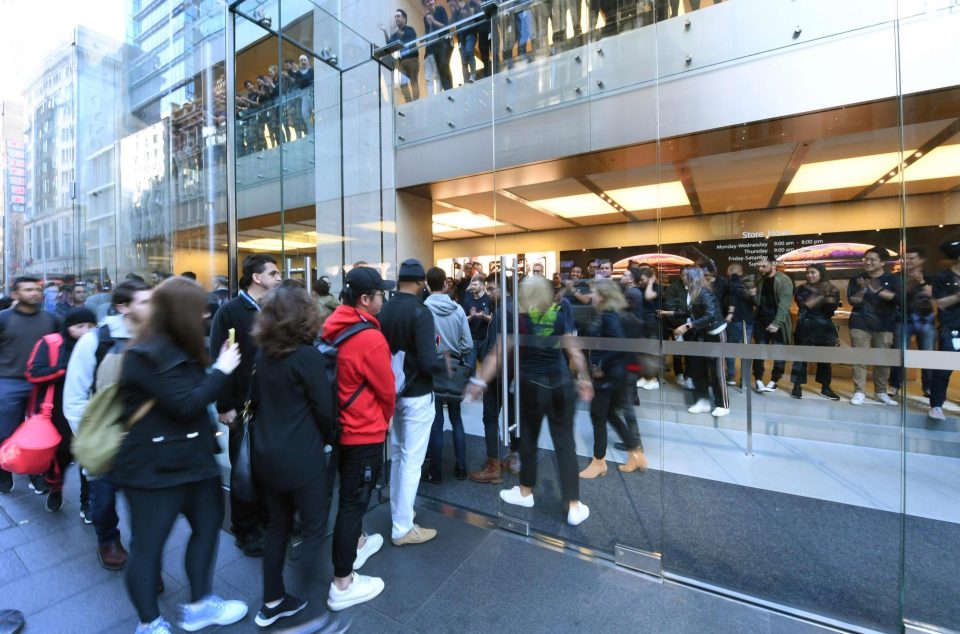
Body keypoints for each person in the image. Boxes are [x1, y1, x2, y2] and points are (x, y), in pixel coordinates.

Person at [116, 277, 247, 634]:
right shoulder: (143, 354)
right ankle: (149, 623)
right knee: (148, 548)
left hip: (195, 462)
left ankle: (200, 605)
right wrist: (222, 370)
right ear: (179, 313)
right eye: (199, 308)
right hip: (152, 470)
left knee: (207, 529)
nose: (207, 314)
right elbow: (185, 404)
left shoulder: (181, 346)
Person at [248, 284, 353, 627]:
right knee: (313, 528)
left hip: (266, 455)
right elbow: (325, 409)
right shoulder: (307, 356)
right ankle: (309, 613)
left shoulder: (263, 354)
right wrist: (328, 438)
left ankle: (273, 601)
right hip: (302, 457)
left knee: (277, 527)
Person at [466, 275, 593, 526]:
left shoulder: (521, 319)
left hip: (531, 386)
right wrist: (585, 377)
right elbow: (573, 347)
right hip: (560, 384)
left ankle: (525, 492)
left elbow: (498, 353)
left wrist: (479, 382)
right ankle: (574, 505)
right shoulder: (558, 313)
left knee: (529, 441)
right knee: (565, 444)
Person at [322, 267, 397, 611]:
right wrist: (385, 419)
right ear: (366, 299)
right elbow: (386, 390)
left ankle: (360, 541)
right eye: (381, 294)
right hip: (362, 430)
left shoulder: (332, 327)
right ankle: (342, 582)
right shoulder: (370, 338)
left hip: (339, 426)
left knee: (349, 494)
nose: (384, 299)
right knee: (353, 503)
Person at [64, 279, 153, 568]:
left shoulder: (156, 337)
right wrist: (88, 439)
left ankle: (145, 557)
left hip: (145, 436)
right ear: (122, 307)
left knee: (146, 502)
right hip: (105, 434)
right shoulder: (96, 340)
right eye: (145, 301)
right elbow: (75, 396)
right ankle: (108, 541)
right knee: (103, 498)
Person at [209, 254, 282, 557]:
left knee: (267, 468)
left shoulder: (275, 309)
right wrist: (225, 405)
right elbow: (221, 359)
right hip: (243, 406)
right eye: (274, 273)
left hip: (273, 405)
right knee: (243, 470)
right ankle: (245, 529)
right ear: (256, 277)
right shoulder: (230, 312)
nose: (279, 278)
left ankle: (267, 521)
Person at [378, 259, 446, 545]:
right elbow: (429, 361)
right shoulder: (421, 312)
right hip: (417, 394)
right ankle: (403, 527)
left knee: (398, 455)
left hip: (392, 393)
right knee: (412, 460)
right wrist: (445, 365)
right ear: (421, 283)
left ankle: (400, 512)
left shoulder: (384, 308)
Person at [24, 306, 97, 513]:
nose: (86, 331)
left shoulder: (98, 343)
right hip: (58, 411)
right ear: (68, 326)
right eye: (80, 326)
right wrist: (69, 369)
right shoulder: (51, 343)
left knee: (87, 458)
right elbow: (34, 373)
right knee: (61, 458)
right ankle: (56, 489)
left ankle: (87, 503)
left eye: (91, 326)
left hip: (90, 410)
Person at [579, 280, 647, 479]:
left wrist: (599, 364)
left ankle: (599, 461)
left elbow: (618, 344)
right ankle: (636, 452)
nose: (592, 296)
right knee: (609, 414)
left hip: (608, 374)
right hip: (616, 372)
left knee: (598, 415)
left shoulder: (608, 316)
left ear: (604, 295)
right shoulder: (612, 313)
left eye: (594, 293)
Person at [0, 277, 60, 494]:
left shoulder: (51, 319)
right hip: (9, 381)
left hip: (41, 382)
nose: (34, 293)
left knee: (39, 432)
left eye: (37, 289)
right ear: (15, 294)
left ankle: (36, 473)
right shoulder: (4, 319)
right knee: (6, 430)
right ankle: (4, 469)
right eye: (28, 290)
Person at [424, 266, 473, 483]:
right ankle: (461, 468)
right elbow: (468, 344)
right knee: (456, 419)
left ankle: (436, 472)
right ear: (445, 284)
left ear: (427, 284)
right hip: (454, 368)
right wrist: (456, 352)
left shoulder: (423, 309)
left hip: (433, 370)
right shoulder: (458, 309)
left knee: (436, 423)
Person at [671, 266, 730, 417]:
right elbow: (691, 312)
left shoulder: (704, 292)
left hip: (715, 333)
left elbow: (710, 315)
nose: (681, 277)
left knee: (716, 370)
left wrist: (688, 325)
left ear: (692, 277)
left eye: (684, 275)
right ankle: (702, 402)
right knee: (698, 368)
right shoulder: (692, 292)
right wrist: (670, 313)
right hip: (702, 333)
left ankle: (723, 404)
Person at [846, 247, 899, 406]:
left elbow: (896, 299)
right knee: (859, 359)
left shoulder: (893, 279)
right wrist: (863, 289)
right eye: (865, 259)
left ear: (882, 262)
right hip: (860, 323)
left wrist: (875, 290)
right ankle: (859, 391)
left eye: (872, 259)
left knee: (882, 359)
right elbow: (852, 301)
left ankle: (881, 392)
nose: (867, 262)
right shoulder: (856, 279)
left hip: (884, 324)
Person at [789, 265, 841, 400]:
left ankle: (825, 388)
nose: (809, 275)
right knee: (800, 358)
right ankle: (797, 386)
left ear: (821, 274)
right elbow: (804, 305)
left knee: (824, 359)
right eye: (808, 273)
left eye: (813, 272)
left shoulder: (833, 289)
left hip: (824, 326)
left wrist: (826, 296)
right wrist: (823, 295)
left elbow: (830, 310)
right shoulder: (801, 289)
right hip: (805, 325)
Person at [889, 247, 934, 398]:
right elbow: (892, 297)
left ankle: (928, 387)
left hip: (925, 321)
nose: (908, 261)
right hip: (903, 319)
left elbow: (932, 297)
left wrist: (921, 282)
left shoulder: (928, 276)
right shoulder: (897, 277)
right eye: (906, 258)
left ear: (921, 260)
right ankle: (895, 385)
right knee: (899, 353)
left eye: (912, 258)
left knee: (927, 354)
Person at [751, 255, 794, 393]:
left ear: (773, 264)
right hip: (761, 321)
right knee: (759, 352)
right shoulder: (760, 280)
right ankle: (758, 379)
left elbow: (784, 304)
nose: (760, 268)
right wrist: (753, 295)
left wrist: (776, 323)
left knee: (778, 352)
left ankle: (774, 380)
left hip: (778, 322)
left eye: (763, 266)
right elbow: (758, 302)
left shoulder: (784, 280)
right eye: (759, 266)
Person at [928, 238, 960, 421]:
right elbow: (939, 303)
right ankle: (937, 405)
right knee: (944, 367)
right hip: (951, 326)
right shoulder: (943, 277)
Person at [723, 263, 756, 387]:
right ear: (742, 272)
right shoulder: (748, 284)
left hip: (733, 320)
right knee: (745, 351)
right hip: (748, 321)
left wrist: (730, 313)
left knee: (730, 349)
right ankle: (745, 380)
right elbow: (755, 302)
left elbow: (729, 299)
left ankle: (731, 376)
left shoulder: (727, 284)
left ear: (728, 271)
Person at [380, 9, 420, 103]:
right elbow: (389, 44)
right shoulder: (395, 34)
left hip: (412, 59)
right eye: (395, 17)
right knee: (403, 83)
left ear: (404, 18)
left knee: (413, 81)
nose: (396, 18)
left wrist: (400, 34)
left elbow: (411, 37)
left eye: (398, 16)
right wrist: (385, 31)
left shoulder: (410, 29)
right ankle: (409, 102)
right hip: (402, 61)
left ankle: (416, 102)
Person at [461, 275, 493, 370]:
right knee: (470, 368)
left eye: (475, 284)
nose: (472, 287)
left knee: (486, 367)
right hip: (471, 339)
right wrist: (471, 316)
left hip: (485, 340)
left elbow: (493, 318)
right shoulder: (468, 298)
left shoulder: (489, 299)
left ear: (482, 286)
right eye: (472, 285)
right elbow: (463, 320)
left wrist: (483, 316)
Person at [422, 0, 453, 94]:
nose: (430, 3)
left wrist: (434, 22)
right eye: (427, 2)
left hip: (444, 43)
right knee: (439, 69)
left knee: (444, 65)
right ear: (425, 5)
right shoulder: (425, 17)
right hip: (434, 46)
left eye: (431, 0)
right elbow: (428, 33)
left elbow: (446, 26)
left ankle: (449, 90)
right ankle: (446, 91)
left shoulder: (440, 10)